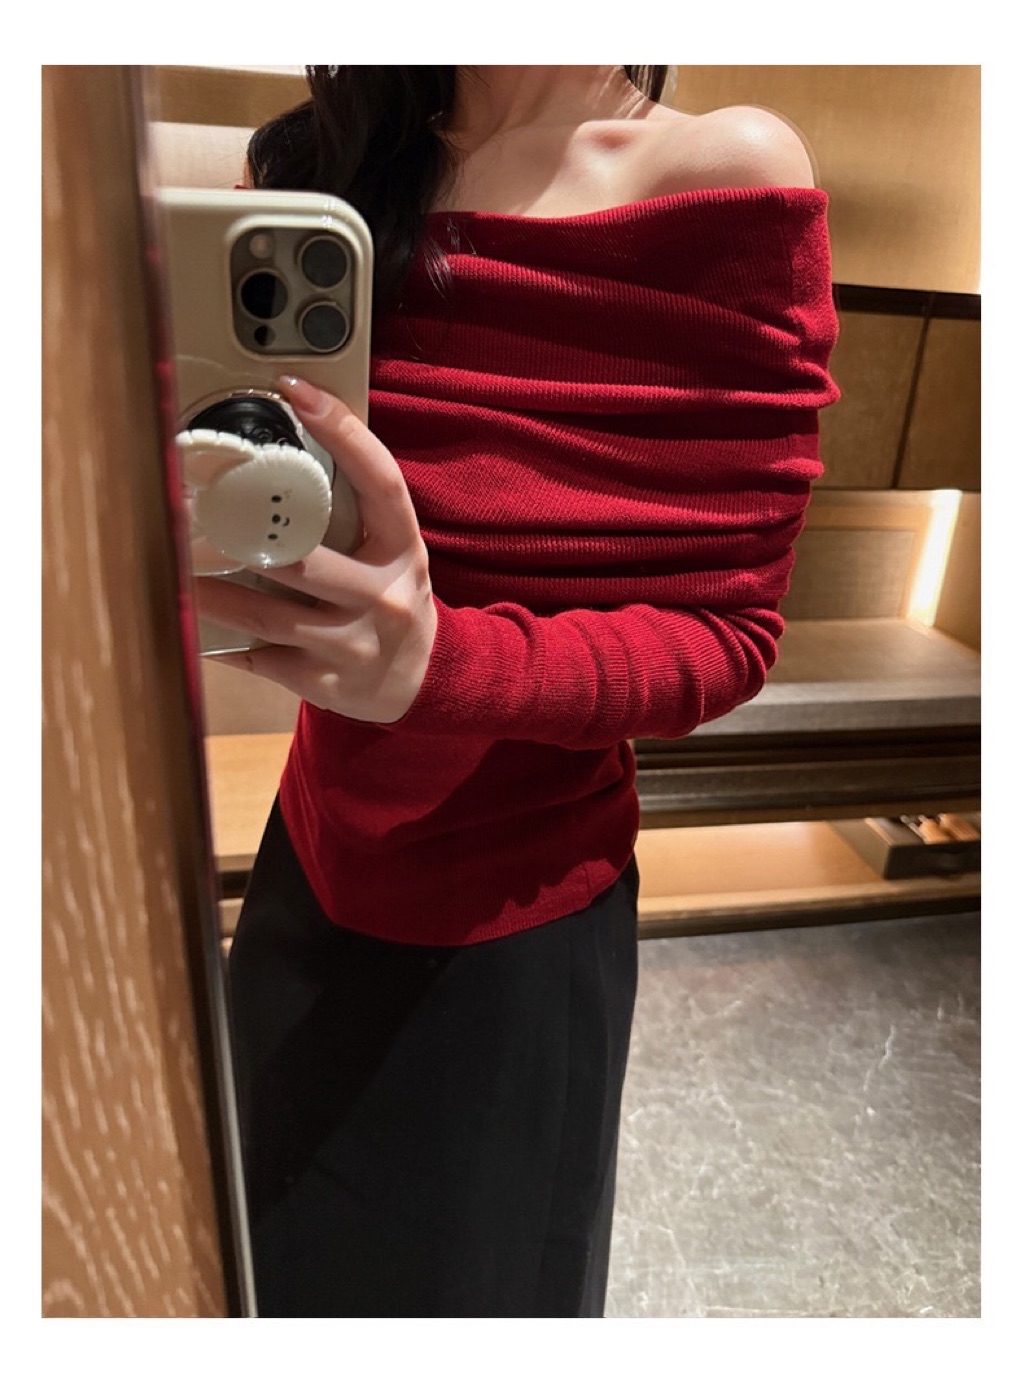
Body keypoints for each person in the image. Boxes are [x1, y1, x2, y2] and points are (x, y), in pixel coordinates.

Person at [200, 65, 840, 1318]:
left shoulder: (720, 173)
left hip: (514, 928)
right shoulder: (322, 165)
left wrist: (443, 667)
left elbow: (729, 633)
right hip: (310, 865)